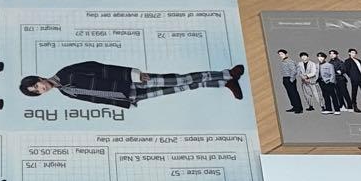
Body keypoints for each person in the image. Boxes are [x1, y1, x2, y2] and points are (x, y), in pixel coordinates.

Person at [19, 61, 245, 106]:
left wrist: (132, 74)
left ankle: (227, 73)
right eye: (37, 92)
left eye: (37, 85)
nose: (41, 89)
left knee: (181, 79)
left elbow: (101, 68)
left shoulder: (66, 73)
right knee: (180, 88)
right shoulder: (65, 92)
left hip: (130, 82)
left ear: (40, 78)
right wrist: (124, 102)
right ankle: (223, 83)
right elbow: (96, 99)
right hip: (129, 96)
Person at [276, 49, 303, 114]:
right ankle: (294, 106)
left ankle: (298, 108)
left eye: (282, 54)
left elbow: (294, 70)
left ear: (286, 54)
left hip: (289, 79)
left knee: (294, 94)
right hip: (286, 78)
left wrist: (291, 79)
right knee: (290, 94)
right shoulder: (284, 61)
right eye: (279, 54)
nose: (280, 55)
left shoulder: (289, 61)